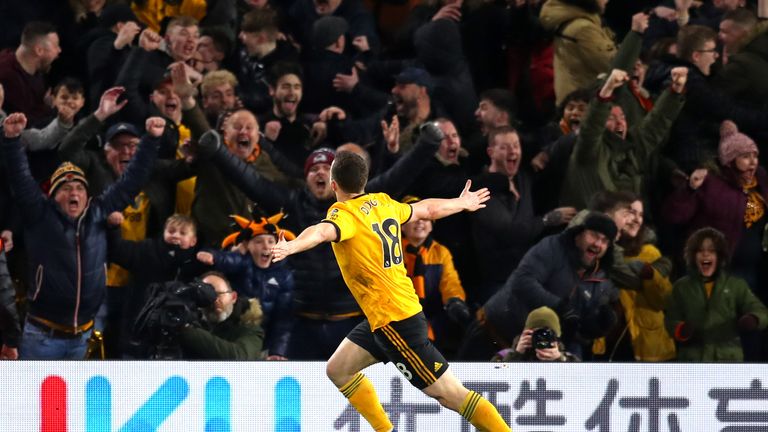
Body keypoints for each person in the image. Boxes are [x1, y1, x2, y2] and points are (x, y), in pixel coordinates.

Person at [271, 150, 510, 431]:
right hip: (384, 318)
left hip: (395, 321)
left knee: (452, 395)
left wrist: (291, 245)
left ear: (334, 185)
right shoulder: (383, 202)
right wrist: (461, 202)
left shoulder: (342, 213)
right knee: (338, 370)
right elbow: (428, 209)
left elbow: (322, 232)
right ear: (365, 181)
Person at [1, 112, 163, 359]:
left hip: (83, 336)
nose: (73, 193)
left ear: (87, 195)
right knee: (32, 399)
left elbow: (132, 181)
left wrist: (151, 140)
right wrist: (12, 140)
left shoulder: (98, 213)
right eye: (65, 188)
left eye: (79, 188)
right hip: (42, 337)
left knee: (73, 400)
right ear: (54, 195)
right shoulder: (39, 214)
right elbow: (21, 179)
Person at [196, 213, 296, 360]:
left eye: (270, 241)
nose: (266, 246)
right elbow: (227, 260)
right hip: (239, 336)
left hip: (266, 342)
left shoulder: (284, 275)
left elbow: (283, 318)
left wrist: (278, 351)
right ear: (246, 245)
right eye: (258, 242)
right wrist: (214, 257)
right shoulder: (242, 263)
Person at [665, 227, 768, 362]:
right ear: (692, 255)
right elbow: (670, 320)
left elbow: (761, 310)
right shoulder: (681, 287)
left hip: (727, 362)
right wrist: (680, 329)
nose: (706, 255)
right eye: (700, 251)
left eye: (712, 251)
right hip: (692, 363)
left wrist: (754, 319)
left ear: (720, 256)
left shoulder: (736, 285)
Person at [177, 272, 266, 360]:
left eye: (219, 294)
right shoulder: (193, 320)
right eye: (206, 296)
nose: (215, 300)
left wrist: (186, 330)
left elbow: (240, 358)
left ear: (233, 297)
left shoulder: (249, 328)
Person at [0, 21, 61, 125]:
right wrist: (50, 109)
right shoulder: (7, 76)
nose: (59, 50)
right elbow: (27, 124)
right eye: (56, 46)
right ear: (39, 50)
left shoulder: (35, 70)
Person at [493, 306, 579, 362]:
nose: (541, 338)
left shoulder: (568, 359)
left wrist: (560, 358)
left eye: (546, 334)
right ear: (525, 334)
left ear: (556, 337)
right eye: (536, 333)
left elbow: (582, 381)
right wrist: (516, 355)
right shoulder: (504, 355)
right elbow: (493, 380)